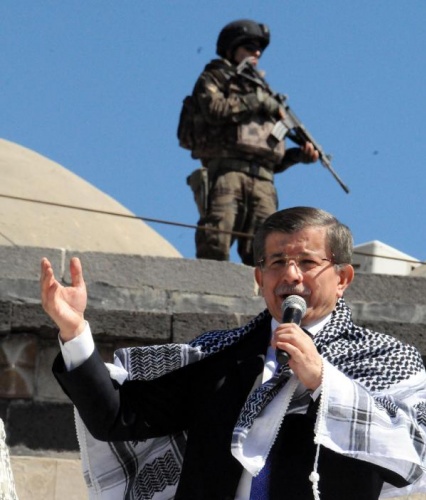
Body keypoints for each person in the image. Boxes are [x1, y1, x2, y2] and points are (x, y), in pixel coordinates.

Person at [40, 206, 426, 500]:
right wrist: (74, 332)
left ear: (342, 278)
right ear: (260, 278)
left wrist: (324, 381)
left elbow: (413, 452)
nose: (291, 275)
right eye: (277, 262)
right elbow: (117, 416)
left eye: (308, 262)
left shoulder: (384, 359)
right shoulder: (219, 355)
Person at [180, 19, 319, 266]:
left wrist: (299, 155)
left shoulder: (264, 91)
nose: (257, 54)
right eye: (249, 47)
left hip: (264, 181)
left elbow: (271, 155)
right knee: (215, 240)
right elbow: (214, 110)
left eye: (259, 49)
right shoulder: (216, 77)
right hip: (227, 172)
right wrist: (256, 101)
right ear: (231, 49)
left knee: (267, 250)